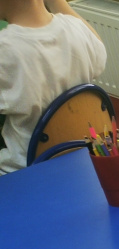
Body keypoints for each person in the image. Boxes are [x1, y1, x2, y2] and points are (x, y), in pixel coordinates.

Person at [0, 0, 106, 174]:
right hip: (83, 161)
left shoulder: (4, 50)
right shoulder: (77, 28)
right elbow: (99, 49)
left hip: (26, 171)